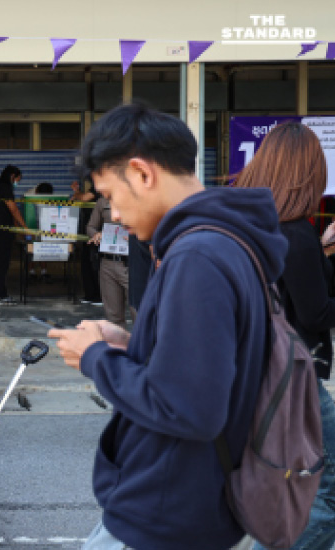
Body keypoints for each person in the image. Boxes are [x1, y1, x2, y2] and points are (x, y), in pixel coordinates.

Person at [47, 102, 288, 550]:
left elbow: (188, 407)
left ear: (142, 173)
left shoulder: (196, 256)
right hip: (195, 506)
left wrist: (95, 358)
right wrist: (136, 346)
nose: (113, 214)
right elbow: (209, 368)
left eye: (110, 196)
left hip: (164, 513)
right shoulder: (228, 241)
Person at [233, 122, 335, 550]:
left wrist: (325, 252)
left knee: (287, 488)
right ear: (306, 172)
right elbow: (316, 311)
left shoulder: (251, 226)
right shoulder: (295, 233)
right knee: (323, 492)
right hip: (299, 377)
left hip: (260, 374)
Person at [0, 165, 26, 305]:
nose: (17, 183)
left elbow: (8, 213)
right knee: (1, 264)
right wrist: (25, 227)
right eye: (17, 180)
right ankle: (1, 295)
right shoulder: (5, 189)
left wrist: (15, 229)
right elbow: (14, 210)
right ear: (12, 176)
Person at [86, 196, 129, 326]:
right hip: (108, 262)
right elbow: (90, 226)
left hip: (131, 263)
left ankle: (143, 346)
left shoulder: (140, 195)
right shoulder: (103, 201)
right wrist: (96, 234)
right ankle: (118, 346)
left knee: (139, 312)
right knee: (113, 316)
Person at [70, 180, 102, 304]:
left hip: (97, 232)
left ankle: (98, 296)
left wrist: (78, 194)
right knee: (86, 263)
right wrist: (77, 192)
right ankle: (90, 295)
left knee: (95, 263)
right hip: (88, 231)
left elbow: (84, 198)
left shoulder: (98, 188)